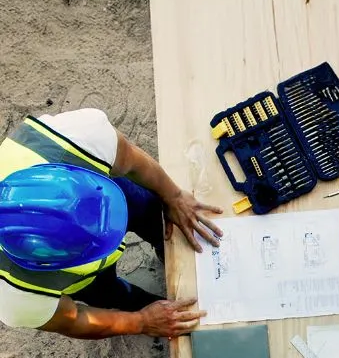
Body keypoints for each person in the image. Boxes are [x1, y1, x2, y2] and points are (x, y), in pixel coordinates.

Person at [0, 107, 222, 340]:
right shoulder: (13, 296)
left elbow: (131, 158)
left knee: (147, 209)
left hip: (102, 192)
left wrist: (173, 196)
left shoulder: (69, 138)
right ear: (44, 259)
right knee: (109, 294)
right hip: (86, 263)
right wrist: (142, 322)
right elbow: (75, 318)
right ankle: (145, 306)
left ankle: (162, 243)